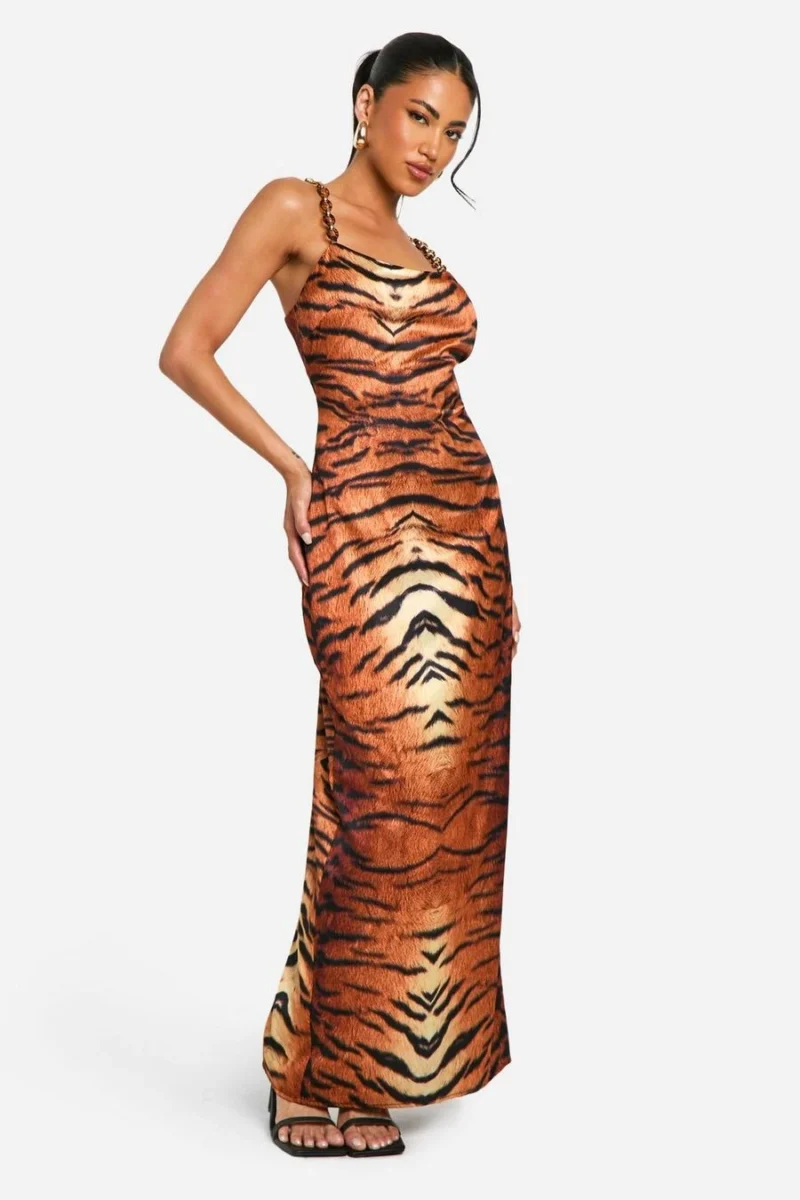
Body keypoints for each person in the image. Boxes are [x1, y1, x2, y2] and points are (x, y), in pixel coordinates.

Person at [159, 30, 521, 1159]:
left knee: (454, 815)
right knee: (375, 801)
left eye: (452, 131)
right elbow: (185, 348)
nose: (433, 146)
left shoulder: (419, 246)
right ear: (365, 104)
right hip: (364, 534)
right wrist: (292, 468)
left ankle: (372, 1070)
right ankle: (305, 1072)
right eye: (418, 116)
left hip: (468, 544)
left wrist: (501, 576)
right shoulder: (296, 210)